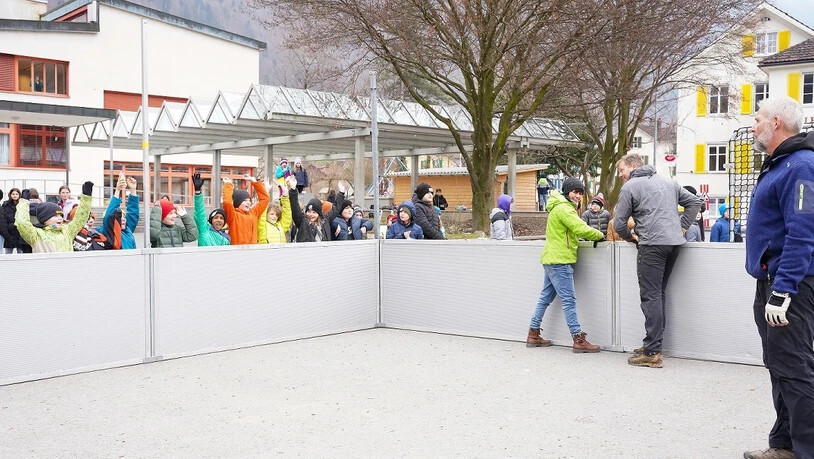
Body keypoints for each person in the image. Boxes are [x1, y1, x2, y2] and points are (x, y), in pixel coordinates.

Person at [742, 96, 814, 459]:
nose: (753, 125)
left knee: (796, 369)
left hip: (791, 286)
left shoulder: (800, 165)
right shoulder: (780, 164)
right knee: (780, 366)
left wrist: (784, 290)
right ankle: (784, 445)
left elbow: (803, 233)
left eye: (757, 118)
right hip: (771, 282)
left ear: (776, 123)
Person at [612, 153, 702, 368]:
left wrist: (630, 238)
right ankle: (654, 345)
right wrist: (681, 227)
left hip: (652, 245)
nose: (620, 175)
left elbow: (619, 223)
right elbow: (694, 202)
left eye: (621, 170)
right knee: (658, 294)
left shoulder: (631, 187)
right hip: (673, 245)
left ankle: (652, 352)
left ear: (633, 166)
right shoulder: (668, 181)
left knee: (650, 296)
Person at [527, 178, 605, 352]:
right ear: (566, 192)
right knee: (569, 300)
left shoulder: (558, 206)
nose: (577, 196)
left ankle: (533, 333)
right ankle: (578, 339)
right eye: (575, 192)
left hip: (551, 258)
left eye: (580, 193)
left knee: (545, 298)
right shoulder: (564, 208)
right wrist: (600, 235)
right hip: (560, 260)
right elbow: (580, 228)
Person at [14, 181, 94, 253]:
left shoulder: (67, 231)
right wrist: (24, 202)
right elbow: (21, 222)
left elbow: (80, 219)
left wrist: (86, 197)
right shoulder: (36, 234)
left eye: (61, 215)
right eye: (55, 216)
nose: (60, 218)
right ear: (45, 219)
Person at [222, 175, 269, 245]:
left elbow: (265, 199)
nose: (248, 202)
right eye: (245, 200)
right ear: (238, 202)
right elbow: (227, 203)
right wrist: (228, 185)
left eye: (249, 200)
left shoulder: (254, 213)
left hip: (252, 251)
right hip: (237, 252)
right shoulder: (233, 215)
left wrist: (255, 182)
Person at [289, 178, 340, 242]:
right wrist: (293, 190)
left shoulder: (325, 220)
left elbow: (336, 208)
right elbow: (295, 207)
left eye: (314, 212)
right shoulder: (302, 221)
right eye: (309, 211)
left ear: (319, 214)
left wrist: (341, 193)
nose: (311, 214)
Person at [101, 172, 140, 250]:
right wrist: (118, 190)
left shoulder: (127, 230)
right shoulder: (107, 232)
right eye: (119, 217)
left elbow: (133, 214)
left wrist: (133, 190)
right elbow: (109, 215)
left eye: (123, 217)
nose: (123, 219)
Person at [191, 173, 230, 247]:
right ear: (211, 220)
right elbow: (199, 212)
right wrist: (197, 192)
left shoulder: (226, 239)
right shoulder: (204, 230)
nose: (219, 220)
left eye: (221, 218)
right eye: (216, 217)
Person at [258, 176, 293, 244]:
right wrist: (266, 192)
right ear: (266, 214)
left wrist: (285, 196)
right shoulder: (262, 225)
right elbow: (262, 210)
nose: (274, 216)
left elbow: (287, 214)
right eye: (272, 214)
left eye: (276, 215)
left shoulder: (281, 226)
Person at [0, 188, 32, 254]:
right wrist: (9, 226)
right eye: (13, 194)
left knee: (20, 252)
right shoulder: (6, 205)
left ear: (19, 195)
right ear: (10, 195)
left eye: (17, 194)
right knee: (8, 253)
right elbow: (3, 218)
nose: (15, 195)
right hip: (10, 232)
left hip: (20, 232)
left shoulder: (22, 205)